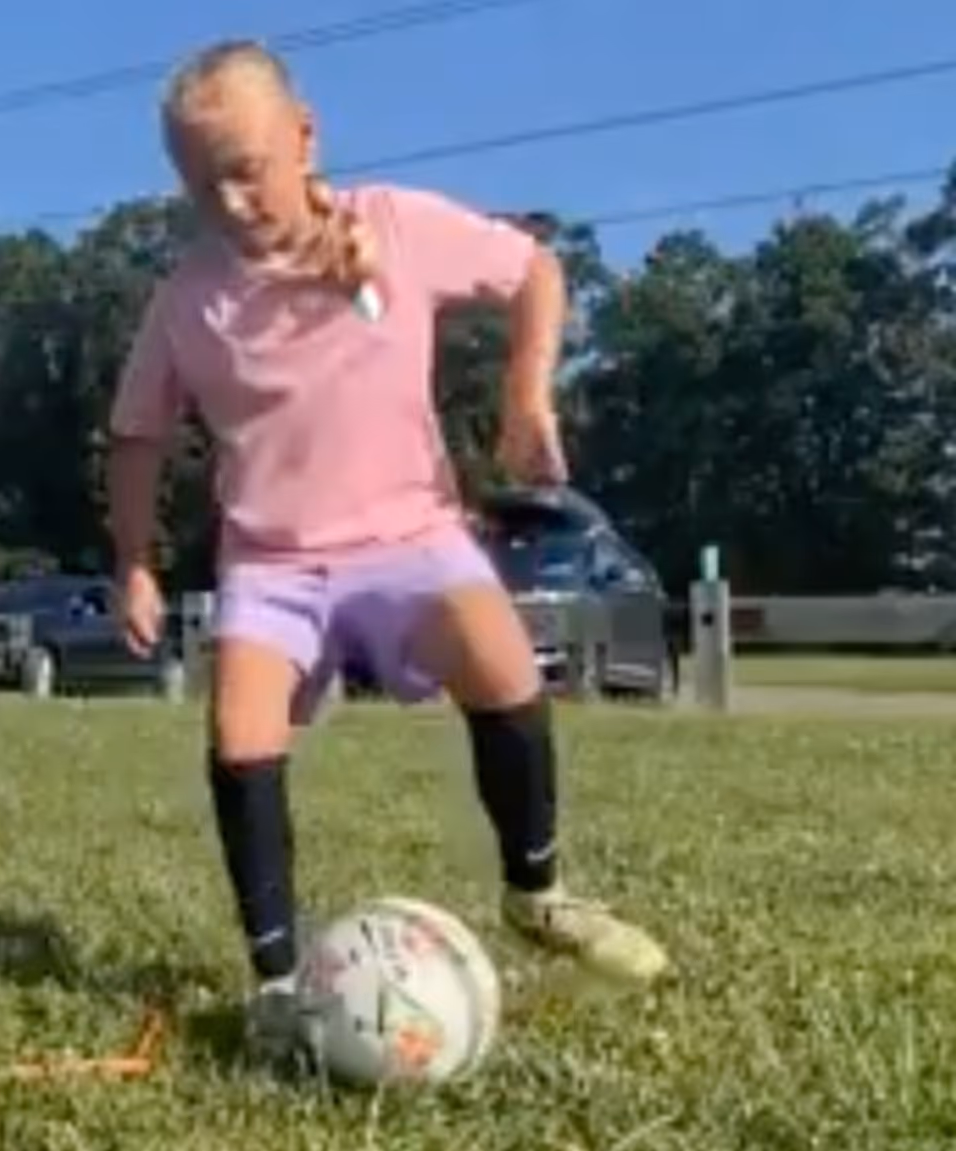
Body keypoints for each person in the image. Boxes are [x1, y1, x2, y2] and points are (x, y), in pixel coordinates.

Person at [104, 39, 672, 1070]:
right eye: (199, 183)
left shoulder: (395, 227)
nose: (228, 200)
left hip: (411, 533)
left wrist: (525, 393)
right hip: (273, 561)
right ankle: (278, 986)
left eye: (248, 168)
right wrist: (134, 560)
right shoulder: (188, 296)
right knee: (241, 733)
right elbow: (138, 431)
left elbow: (534, 268)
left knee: (501, 663)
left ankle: (537, 892)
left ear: (307, 137)